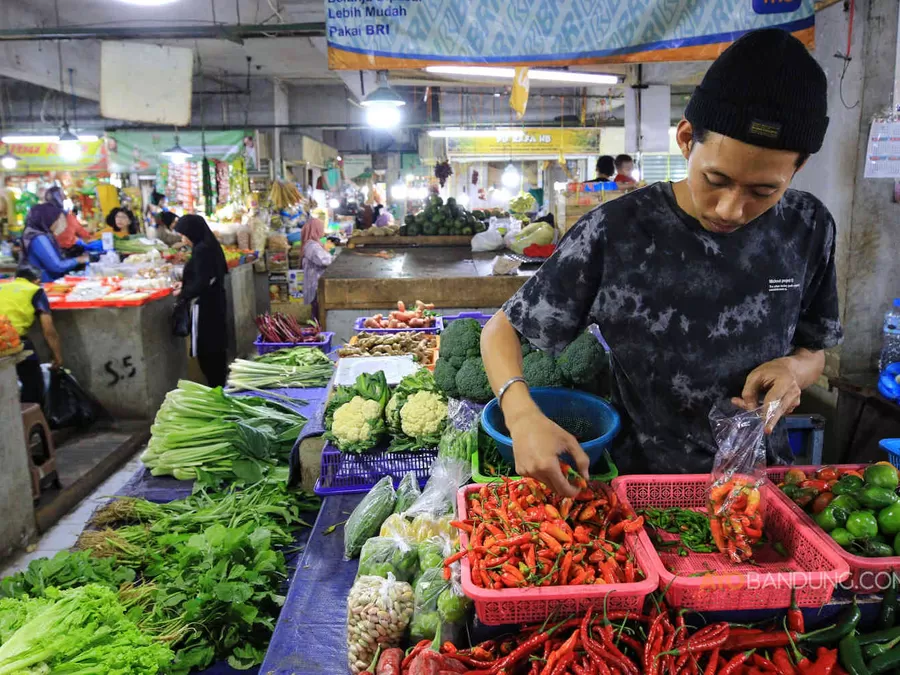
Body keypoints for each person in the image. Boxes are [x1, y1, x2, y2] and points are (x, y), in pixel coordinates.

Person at [480, 28, 839, 496]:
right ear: (687, 139)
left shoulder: (808, 227)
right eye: (717, 178)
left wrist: (795, 372)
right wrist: (521, 413)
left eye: (763, 191)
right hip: (641, 486)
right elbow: (501, 331)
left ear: (799, 167)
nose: (732, 209)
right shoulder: (618, 231)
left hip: (758, 488)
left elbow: (815, 350)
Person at [173, 214, 228, 388]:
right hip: (215, 303)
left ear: (193, 232)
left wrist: (183, 292)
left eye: (184, 235)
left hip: (206, 308)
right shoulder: (210, 245)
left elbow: (201, 282)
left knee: (207, 351)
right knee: (216, 349)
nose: (183, 239)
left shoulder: (202, 250)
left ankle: (216, 388)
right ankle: (219, 385)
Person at [0, 266, 64, 405]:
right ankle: (30, 419)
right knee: (33, 384)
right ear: (37, 280)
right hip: (10, 342)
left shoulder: (3, 286)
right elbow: (48, 329)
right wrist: (57, 356)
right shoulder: (35, 291)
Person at [22, 203, 89, 282]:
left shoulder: (38, 233)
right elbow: (57, 266)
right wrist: (79, 260)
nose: (62, 223)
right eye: (58, 219)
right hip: (44, 284)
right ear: (49, 219)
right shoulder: (39, 238)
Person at [301, 216, 333, 320]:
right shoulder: (312, 246)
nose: (323, 230)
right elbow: (324, 260)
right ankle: (318, 332)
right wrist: (334, 258)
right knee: (317, 312)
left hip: (315, 284)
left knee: (317, 310)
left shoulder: (313, 244)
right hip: (315, 285)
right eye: (321, 227)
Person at [45, 186, 90, 255]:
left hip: (50, 254)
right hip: (70, 253)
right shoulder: (68, 217)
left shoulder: (42, 217)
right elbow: (84, 234)